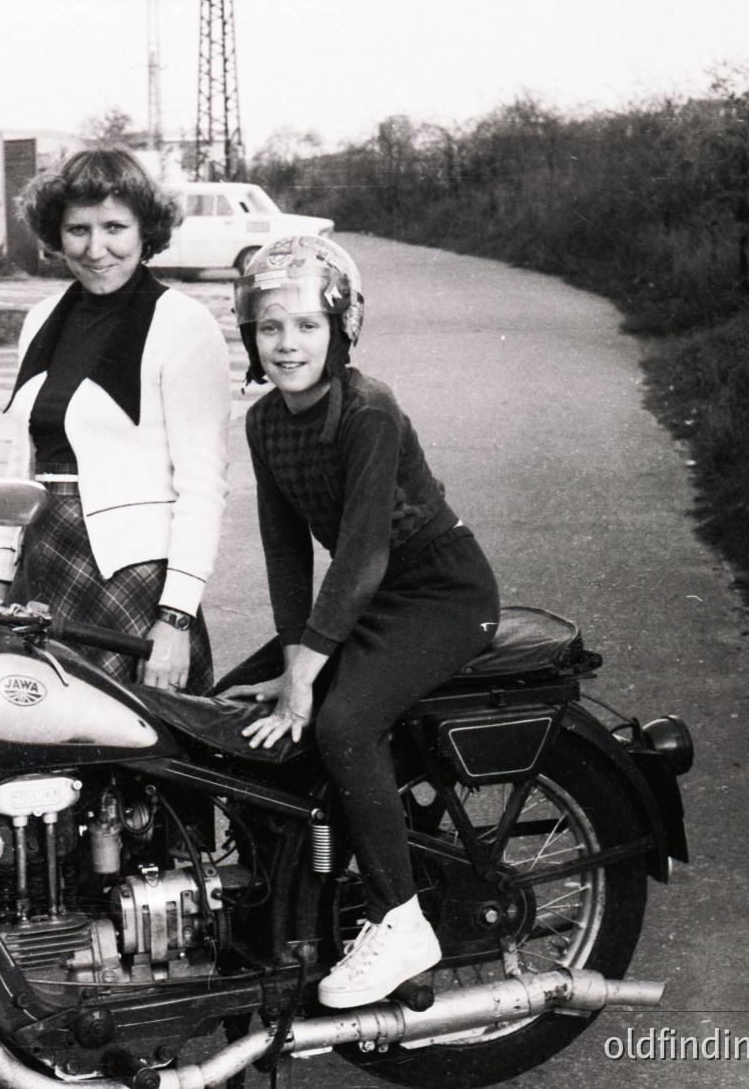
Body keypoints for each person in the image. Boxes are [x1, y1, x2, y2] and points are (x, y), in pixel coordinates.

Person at [223, 235, 500, 1008]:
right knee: (223, 711)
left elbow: (361, 555)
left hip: (441, 593)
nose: (287, 344)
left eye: (308, 326)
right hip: (366, 600)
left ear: (342, 330)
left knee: (340, 723)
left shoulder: (368, 410)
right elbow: (286, 554)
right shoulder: (264, 423)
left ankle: (402, 920)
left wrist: (308, 680)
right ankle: (274, 917)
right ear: (250, 335)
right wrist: (289, 660)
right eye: (270, 327)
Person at [0, 148, 230, 692]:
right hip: (43, 559)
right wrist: (0, 580)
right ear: (57, 233)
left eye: (115, 226)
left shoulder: (183, 325)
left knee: (132, 753)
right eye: (79, 229)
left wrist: (175, 620)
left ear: (146, 230)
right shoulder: (41, 318)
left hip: (132, 582)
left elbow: (202, 487)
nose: (97, 249)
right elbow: (20, 461)